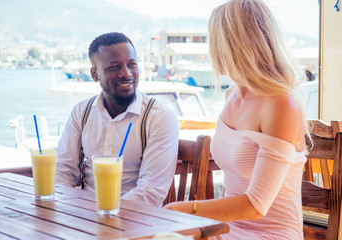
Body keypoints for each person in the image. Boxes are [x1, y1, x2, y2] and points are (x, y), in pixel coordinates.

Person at [164, 0, 310, 239]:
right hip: (228, 229)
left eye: (216, 40)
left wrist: (186, 209)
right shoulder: (231, 95)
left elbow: (254, 206)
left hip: (270, 235)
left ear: (237, 45)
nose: (212, 50)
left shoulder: (281, 104)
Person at [56, 32, 179, 206]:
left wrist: (105, 213)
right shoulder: (81, 112)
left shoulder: (159, 118)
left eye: (132, 65)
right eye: (114, 67)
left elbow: (151, 191)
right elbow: (63, 170)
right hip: (85, 214)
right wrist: (63, 208)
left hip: (136, 220)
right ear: (94, 74)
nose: (126, 74)